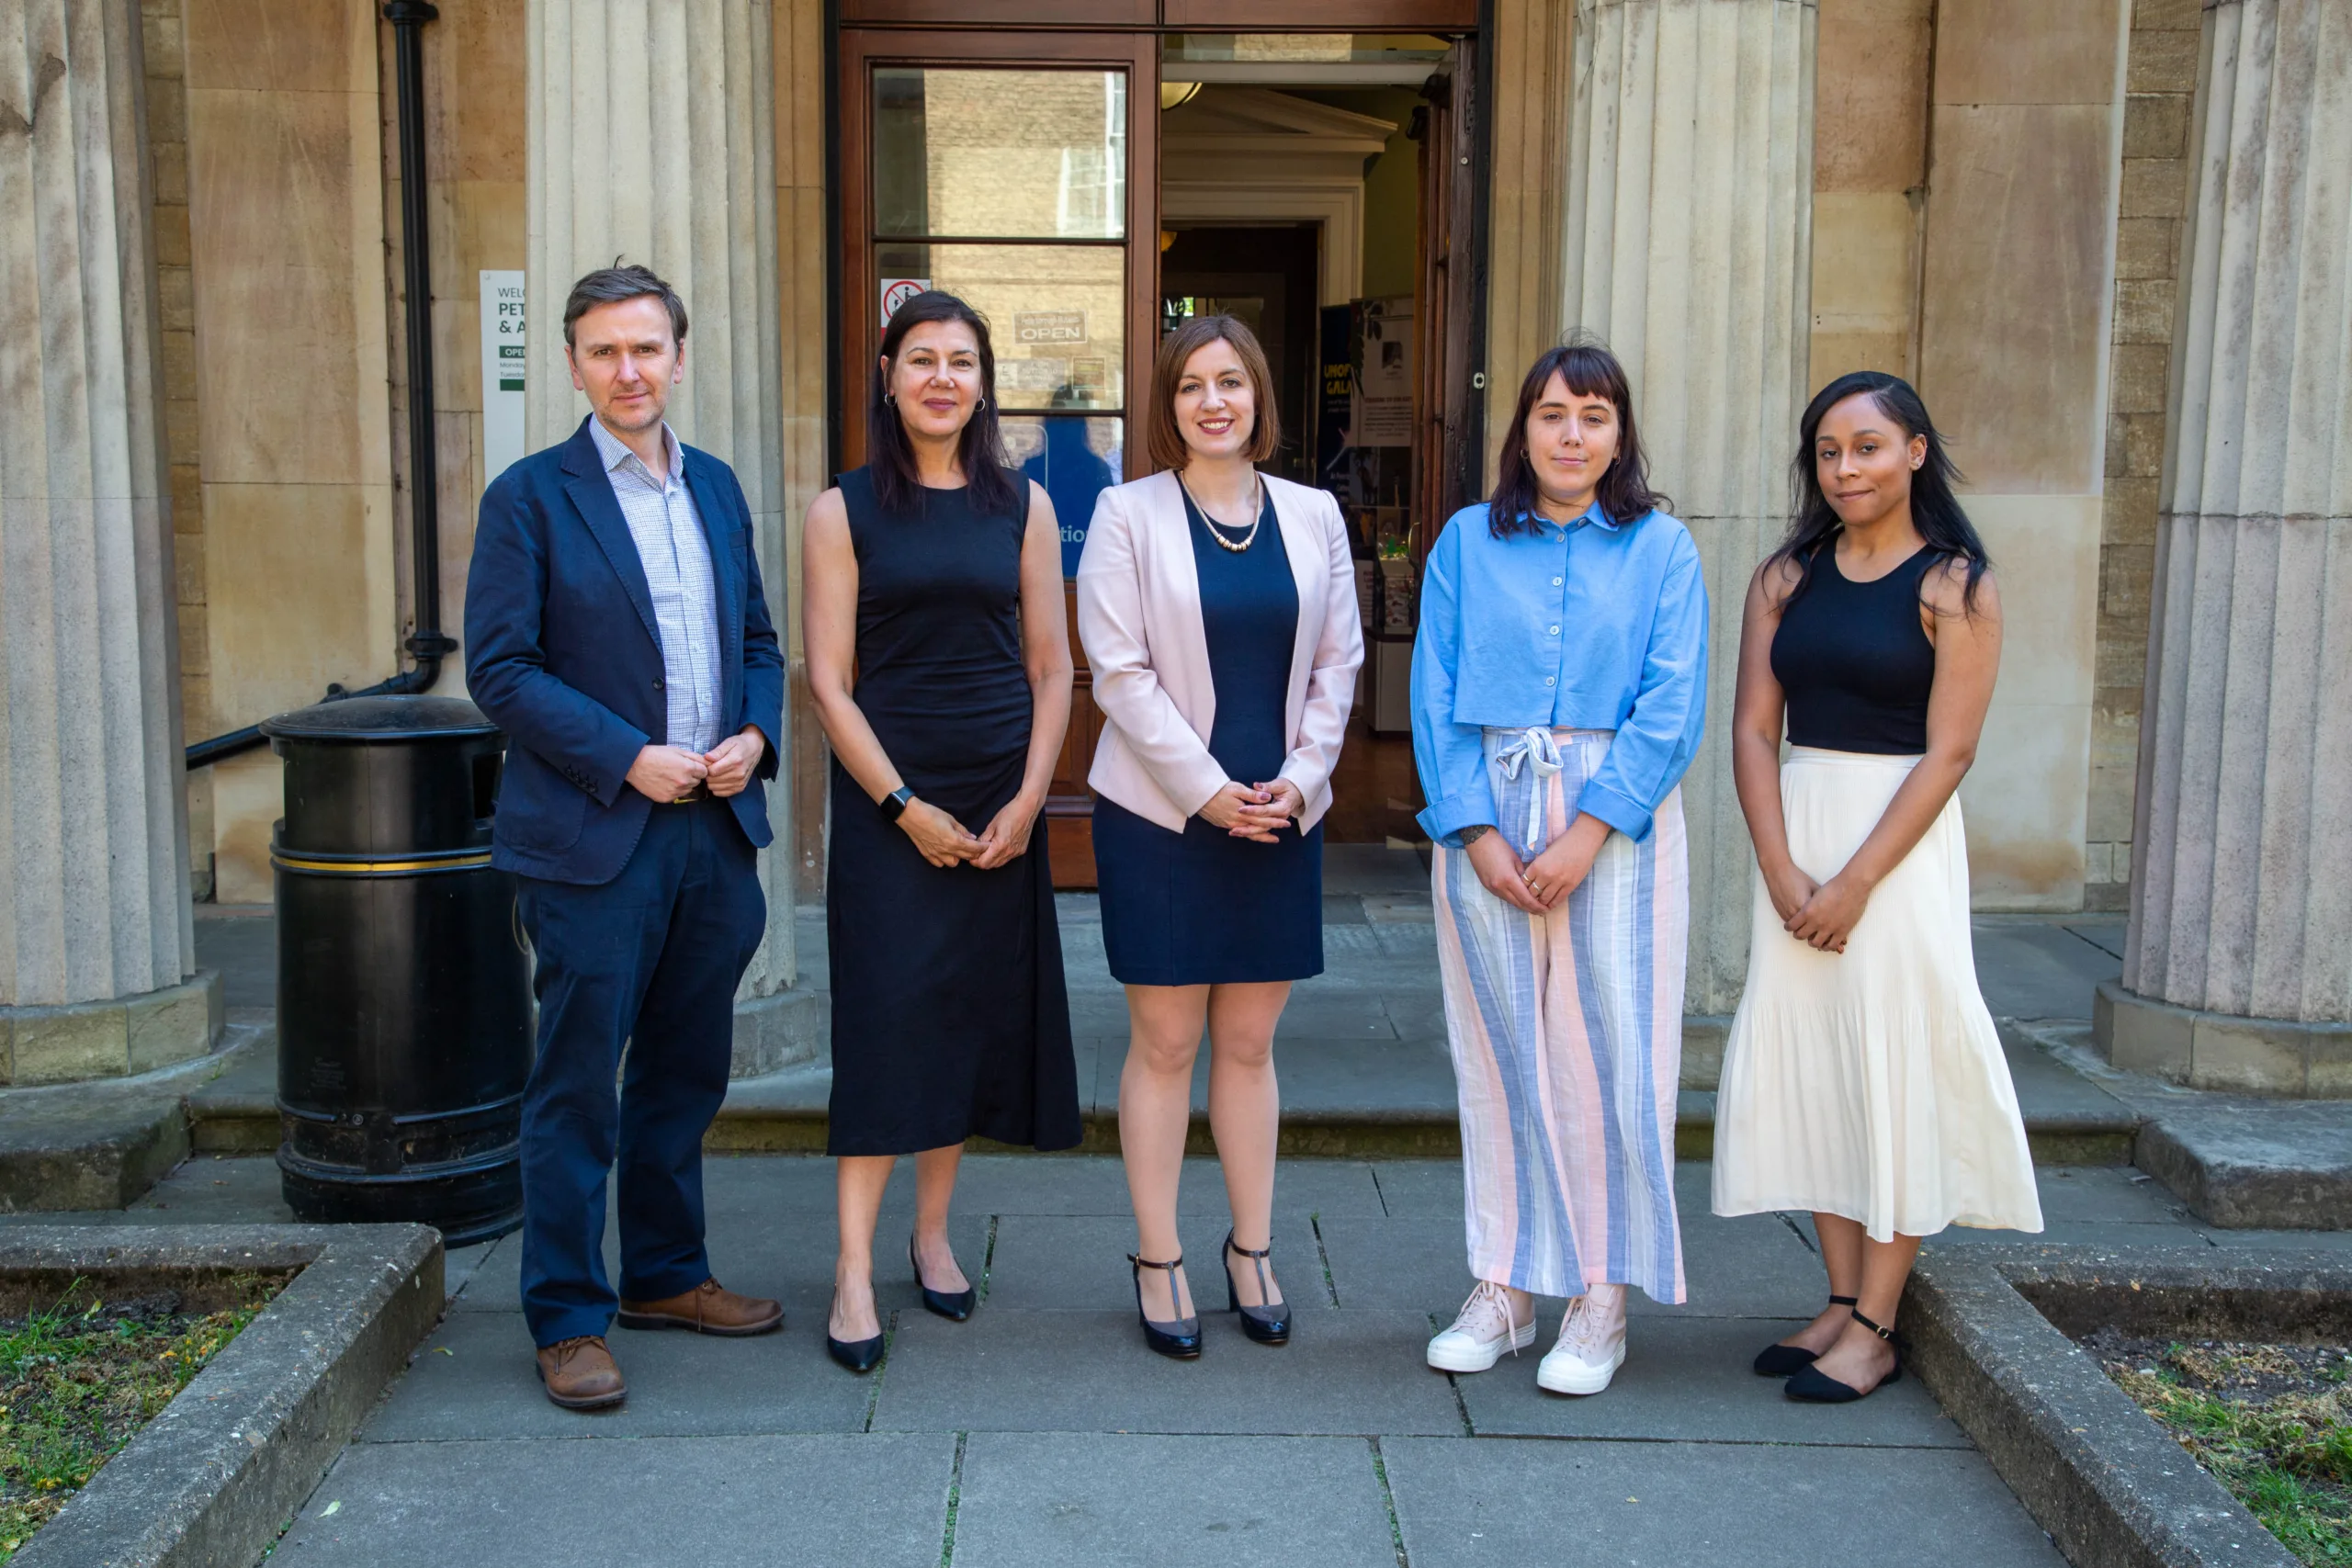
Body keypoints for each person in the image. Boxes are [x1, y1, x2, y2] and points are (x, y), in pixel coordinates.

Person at [466, 265, 786, 1412]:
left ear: (679, 356)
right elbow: (500, 671)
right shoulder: (530, 498)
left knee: (684, 1074)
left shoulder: (715, 488)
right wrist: (624, 754)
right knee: (575, 1087)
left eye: (646, 348)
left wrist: (756, 730)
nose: (629, 370)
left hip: (714, 829)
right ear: (573, 365)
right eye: (604, 351)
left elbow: (758, 636)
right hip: (596, 837)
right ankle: (565, 1314)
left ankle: (663, 1275)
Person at [1713, 369, 2041, 1404]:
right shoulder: (1786, 577)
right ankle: (1839, 1295)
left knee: (1888, 1063)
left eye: (1865, 446)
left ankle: (1877, 1324)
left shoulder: (1957, 585)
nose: (1844, 466)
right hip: (1797, 835)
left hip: (1895, 853)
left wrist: (1851, 883)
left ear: (1913, 452)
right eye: (1826, 450)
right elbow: (1754, 729)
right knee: (1816, 1064)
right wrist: (1777, 865)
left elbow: (1949, 755)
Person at [1411, 339, 1706, 1397]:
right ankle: (1504, 1284)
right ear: (1521, 430)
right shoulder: (1464, 542)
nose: (1570, 433)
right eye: (1550, 414)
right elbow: (1433, 687)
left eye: (1592, 415)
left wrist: (1588, 829)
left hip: (1613, 825)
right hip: (1489, 809)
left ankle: (1600, 1295)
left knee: (1612, 1059)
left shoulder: (1662, 549)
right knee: (1499, 1057)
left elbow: (1673, 703)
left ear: (1619, 433)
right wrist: (1475, 831)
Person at [803, 291, 1081, 1373]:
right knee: (887, 1023)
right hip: (893, 800)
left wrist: (1028, 801)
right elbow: (829, 684)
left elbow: (1052, 668)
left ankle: (931, 1235)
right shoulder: (844, 509)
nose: (941, 379)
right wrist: (902, 808)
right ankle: (849, 1269)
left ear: (983, 381)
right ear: (887, 374)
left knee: (960, 1018)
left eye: (961, 362)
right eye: (921, 359)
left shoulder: (1025, 505)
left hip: (996, 798)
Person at [1075, 315, 1362, 1359]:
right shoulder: (1125, 514)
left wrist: (1299, 781)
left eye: (1231, 382)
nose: (1213, 402)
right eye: (1192, 384)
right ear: (1168, 403)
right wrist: (1205, 792)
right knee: (1166, 1043)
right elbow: (1117, 672)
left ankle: (1251, 1249)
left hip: (1280, 815)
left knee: (1248, 1044)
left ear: (1258, 399)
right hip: (1162, 817)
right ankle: (1159, 1258)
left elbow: (1339, 665)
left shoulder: (1315, 513)